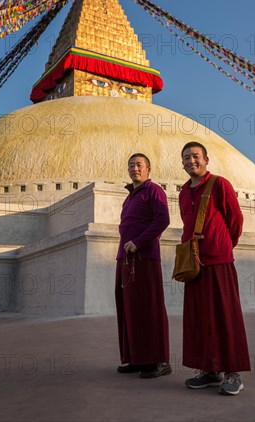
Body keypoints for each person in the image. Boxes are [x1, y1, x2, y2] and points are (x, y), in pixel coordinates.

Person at [178, 141, 251, 396]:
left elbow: (235, 221)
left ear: (206, 160)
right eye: (186, 157)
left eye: (196, 156)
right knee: (200, 319)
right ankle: (209, 369)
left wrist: (222, 245)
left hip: (219, 262)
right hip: (194, 265)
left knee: (224, 317)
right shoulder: (184, 192)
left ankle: (233, 373)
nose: (191, 161)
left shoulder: (219, 184)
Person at [115, 153, 171, 378]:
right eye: (131, 165)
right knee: (129, 310)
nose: (134, 168)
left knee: (150, 309)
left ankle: (158, 361)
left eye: (139, 165)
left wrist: (138, 243)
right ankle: (136, 358)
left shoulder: (153, 190)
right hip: (125, 259)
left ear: (148, 169)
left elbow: (162, 220)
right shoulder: (129, 197)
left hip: (145, 258)